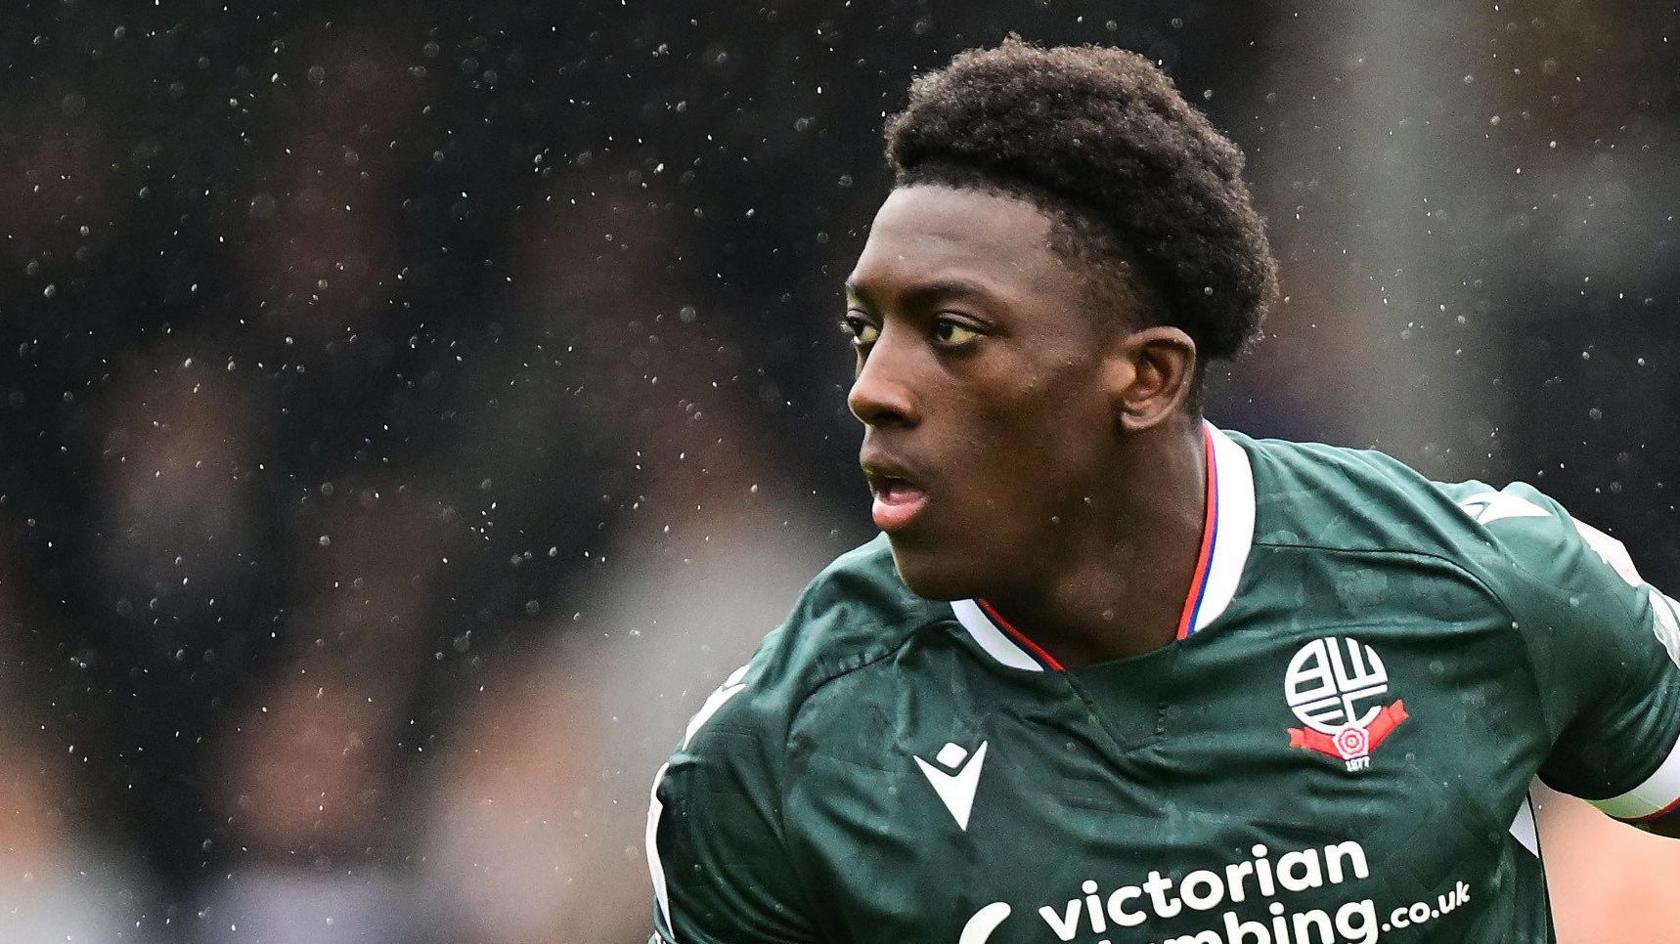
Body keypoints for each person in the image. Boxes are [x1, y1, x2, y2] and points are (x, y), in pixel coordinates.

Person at [644, 38, 1680, 944]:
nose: (873, 389)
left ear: (1146, 378)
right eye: (867, 333)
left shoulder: (1483, 583)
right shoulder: (777, 758)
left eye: (951, 332)